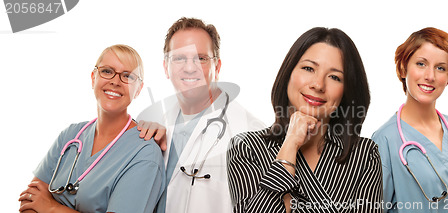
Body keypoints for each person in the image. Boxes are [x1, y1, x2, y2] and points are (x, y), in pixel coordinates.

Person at [227, 27, 382, 213]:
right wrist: (290, 145)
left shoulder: (364, 154)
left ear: (346, 91)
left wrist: (289, 202)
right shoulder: (246, 147)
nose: (318, 84)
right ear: (289, 74)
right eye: (308, 68)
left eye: (335, 77)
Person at [136, 17, 264, 213]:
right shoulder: (158, 125)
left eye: (201, 58)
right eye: (179, 58)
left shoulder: (252, 133)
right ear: (166, 67)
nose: (189, 67)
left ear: (217, 67)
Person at [18, 44, 166, 213]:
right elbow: (29, 200)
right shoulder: (70, 136)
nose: (115, 81)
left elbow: (40, 203)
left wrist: (50, 207)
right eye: (107, 71)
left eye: (127, 76)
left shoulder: (144, 152)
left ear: (138, 89)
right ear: (93, 77)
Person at [371, 27, 448, 212]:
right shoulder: (384, 140)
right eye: (421, 64)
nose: (430, 76)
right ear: (403, 68)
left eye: (440, 68)